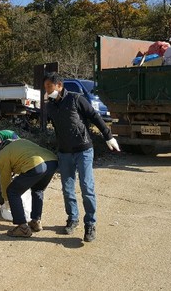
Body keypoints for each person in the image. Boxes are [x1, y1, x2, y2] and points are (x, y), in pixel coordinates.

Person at [43, 72, 120, 242]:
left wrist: (108, 136)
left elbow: (94, 116)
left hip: (83, 150)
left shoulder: (76, 99)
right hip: (64, 153)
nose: (47, 91)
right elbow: (55, 127)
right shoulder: (50, 105)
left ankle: (90, 224)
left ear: (59, 85)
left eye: (49, 87)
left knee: (86, 187)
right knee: (67, 188)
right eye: (45, 88)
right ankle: (73, 219)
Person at [0, 138, 58, 237]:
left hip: (37, 164)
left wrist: (6, 199)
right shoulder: (19, 143)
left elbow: (5, 179)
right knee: (37, 189)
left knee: (12, 191)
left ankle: (22, 228)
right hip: (52, 162)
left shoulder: (2, 154)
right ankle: (36, 221)